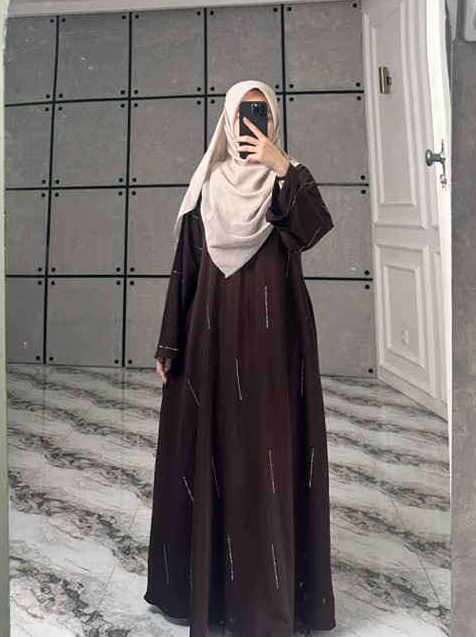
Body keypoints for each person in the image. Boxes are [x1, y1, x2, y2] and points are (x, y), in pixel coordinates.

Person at [143, 79, 337, 637]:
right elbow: (185, 269)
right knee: (209, 453)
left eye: (263, 112)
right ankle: (208, 592)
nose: (253, 122)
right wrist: (169, 341)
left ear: (274, 120)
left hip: (275, 345)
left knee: (267, 456)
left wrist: (281, 165)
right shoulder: (206, 186)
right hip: (209, 342)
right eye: (244, 113)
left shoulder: (287, 180)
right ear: (227, 122)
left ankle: (267, 598)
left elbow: (314, 229)